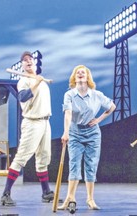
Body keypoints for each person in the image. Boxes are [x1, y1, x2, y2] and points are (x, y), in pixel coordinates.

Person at [58, 65, 116, 213]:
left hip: (93, 133)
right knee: (74, 164)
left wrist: (99, 119)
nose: (80, 73)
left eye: (83, 72)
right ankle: (70, 198)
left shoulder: (96, 94)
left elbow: (112, 107)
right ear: (74, 77)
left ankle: (90, 199)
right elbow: (68, 114)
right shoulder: (69, 95)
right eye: (77, 72)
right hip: (75, 132)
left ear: (88, 77)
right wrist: (66, 133)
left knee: (91, 165)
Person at [0, 51, 53, 206]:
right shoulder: (23, 81)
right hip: (32, 122)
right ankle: (5, 194)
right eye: (25, 60)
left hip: (45, 121)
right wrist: (36, 82)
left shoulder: (41, 81)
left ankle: (46, 192)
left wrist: (38, 81)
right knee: (21, 157)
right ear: (22, 65)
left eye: (31, 59)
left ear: (34, 63)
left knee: (44, 158)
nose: (28, 61)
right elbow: (22, 97)